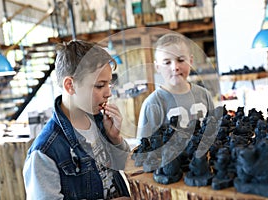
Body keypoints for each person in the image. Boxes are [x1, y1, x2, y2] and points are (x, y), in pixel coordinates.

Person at [23, 40, 131, 200]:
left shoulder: (100, 122)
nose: (108, 93)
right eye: (100, 86)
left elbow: (124, 165)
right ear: (70, 85)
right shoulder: (44, 152)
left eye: (109, 84)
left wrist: (115, 138)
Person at [137, 33, 215, 139]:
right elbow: (143, 148)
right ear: (157, 67)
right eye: (167, 62)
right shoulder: (153, 104)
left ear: (190, 61)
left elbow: (215, 132)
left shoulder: (204, 95)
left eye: (181, 60)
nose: (175, 67)